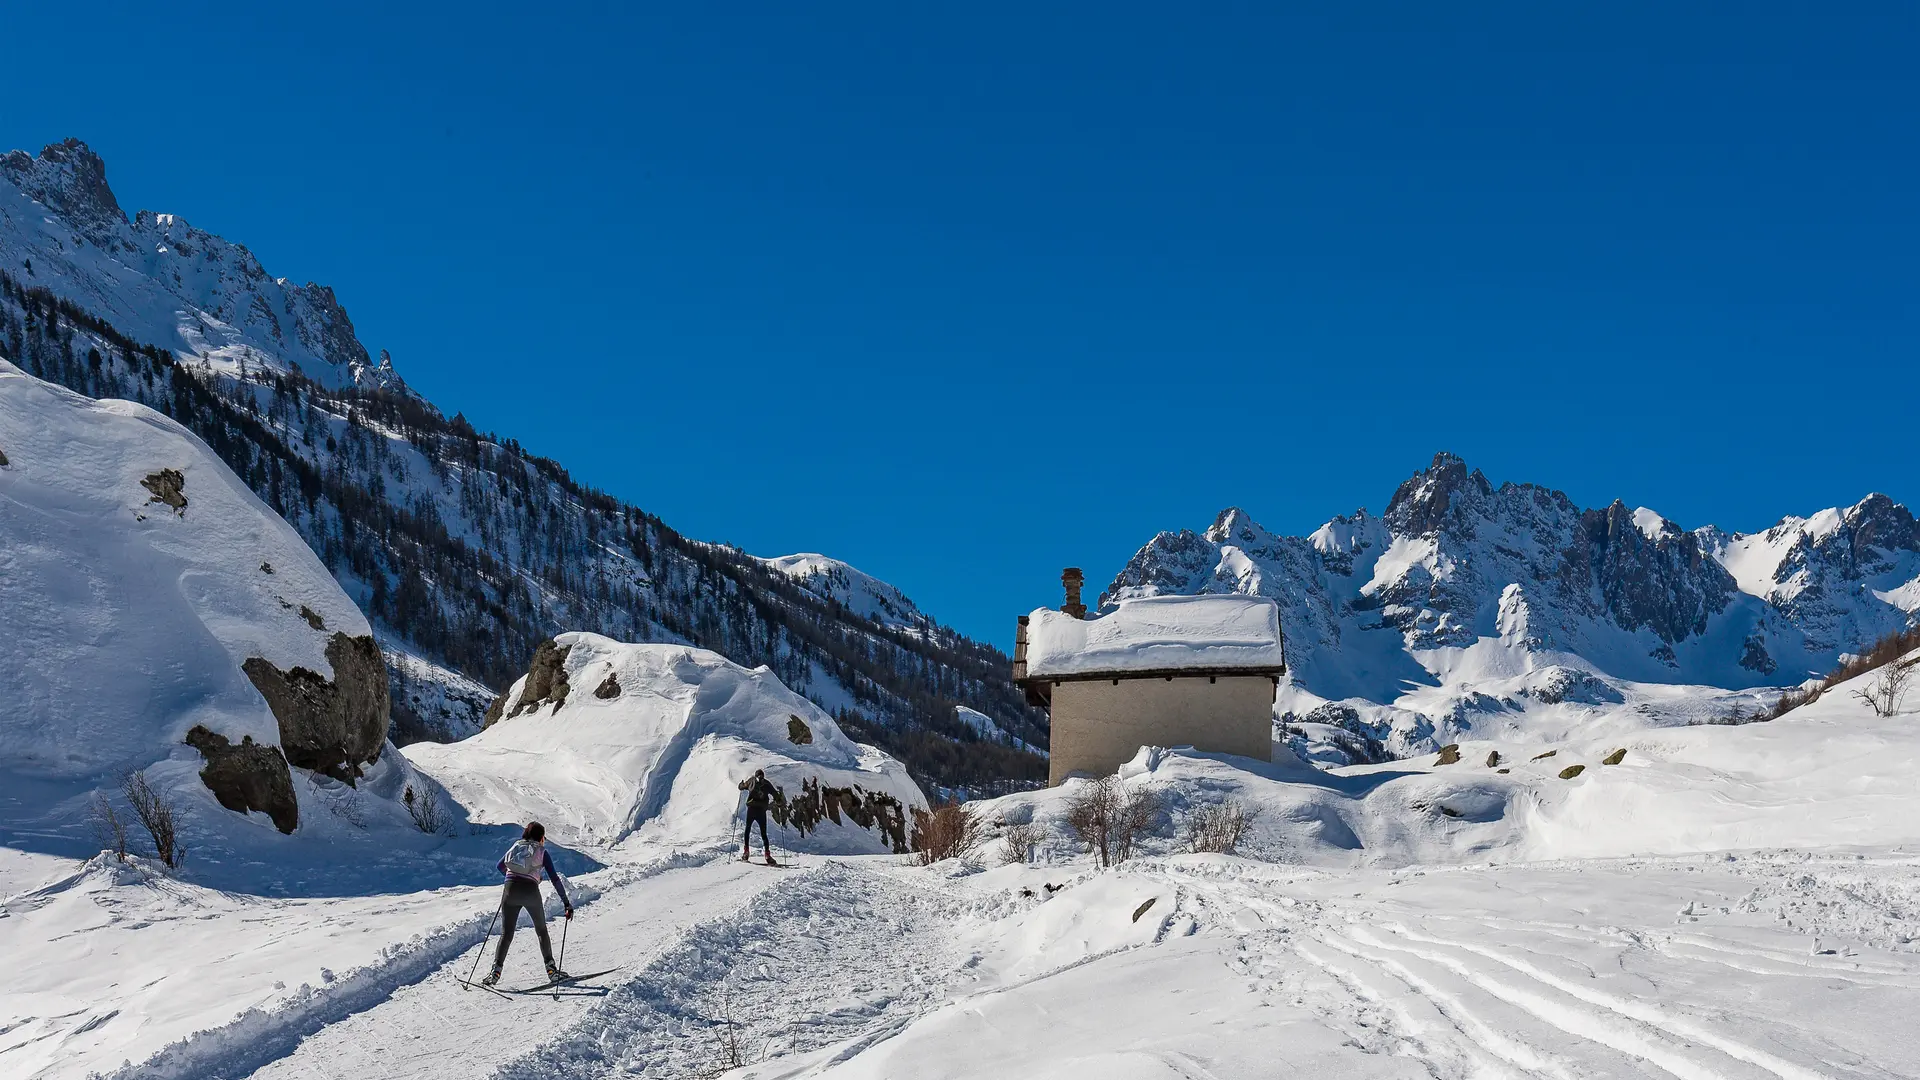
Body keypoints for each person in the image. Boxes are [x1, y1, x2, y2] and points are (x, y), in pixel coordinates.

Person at [482, 821, 573, 987]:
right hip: (530, 891)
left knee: (506, 933)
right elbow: (554, 878)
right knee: (541, 931)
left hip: (509, 891)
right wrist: (566, 903)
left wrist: (512, 877)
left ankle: (495, 972)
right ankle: (551, 972)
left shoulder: (516, 846)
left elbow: (500, 866)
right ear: (541, 836)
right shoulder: (542, 851)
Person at [737, 769, 777, 865]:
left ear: (756, 775)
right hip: (761, 811)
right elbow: (775, 794)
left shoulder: (751, 780)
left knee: (747, 830)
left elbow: (742, 787)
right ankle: (767, 855)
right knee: (763, 834)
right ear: (763, 776)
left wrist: (740, 784)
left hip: (751, 809)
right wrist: (778, 801)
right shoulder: (767, 784)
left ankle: (746, 853)